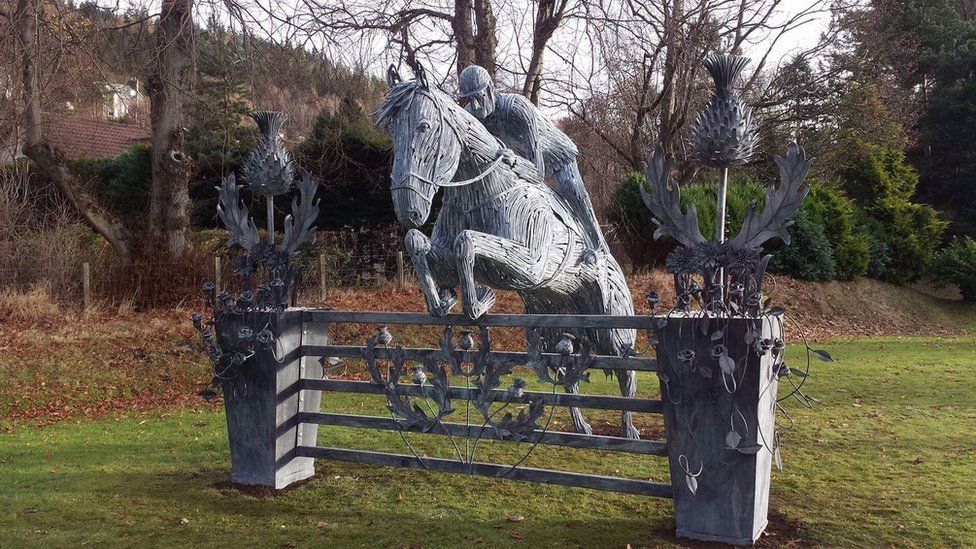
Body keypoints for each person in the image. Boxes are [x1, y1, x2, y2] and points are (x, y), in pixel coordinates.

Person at [457, 65, 608, 264]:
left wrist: (513, 161)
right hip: (519, 160)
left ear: (490, 89)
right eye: (470, 99)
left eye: (479, 97)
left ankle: (598, 246)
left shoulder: (518, 108)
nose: (475, 105)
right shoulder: (474, 116)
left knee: (575, 194)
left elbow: (537, 171)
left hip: (555, 156)